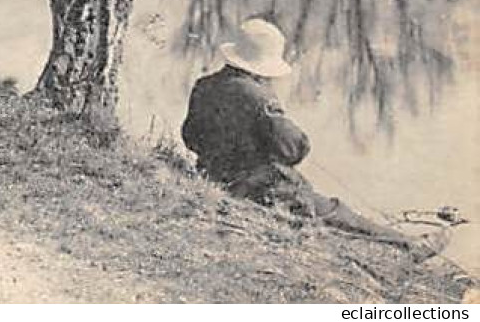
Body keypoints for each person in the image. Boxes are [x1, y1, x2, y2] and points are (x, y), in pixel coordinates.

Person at [182, 18, 442, 256]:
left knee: (323, 208)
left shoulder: (204, 85)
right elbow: (294, 150)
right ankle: (409, 245)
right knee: (332, 210)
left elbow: (190, 137)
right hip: (258, 188)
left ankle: (403, 244)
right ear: (262, 66)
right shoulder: (260, 98)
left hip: (212, 176)